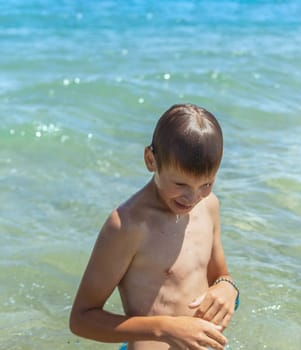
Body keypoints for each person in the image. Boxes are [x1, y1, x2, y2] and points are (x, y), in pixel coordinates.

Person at [70, 104, 239, 350]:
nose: (192, 198)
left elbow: (220, 275)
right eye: (180, 183)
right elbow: (81, 319)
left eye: (206, 184)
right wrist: (166, 329)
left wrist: (228, 289)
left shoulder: (209, 206)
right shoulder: (127, 226)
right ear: (151, 160)